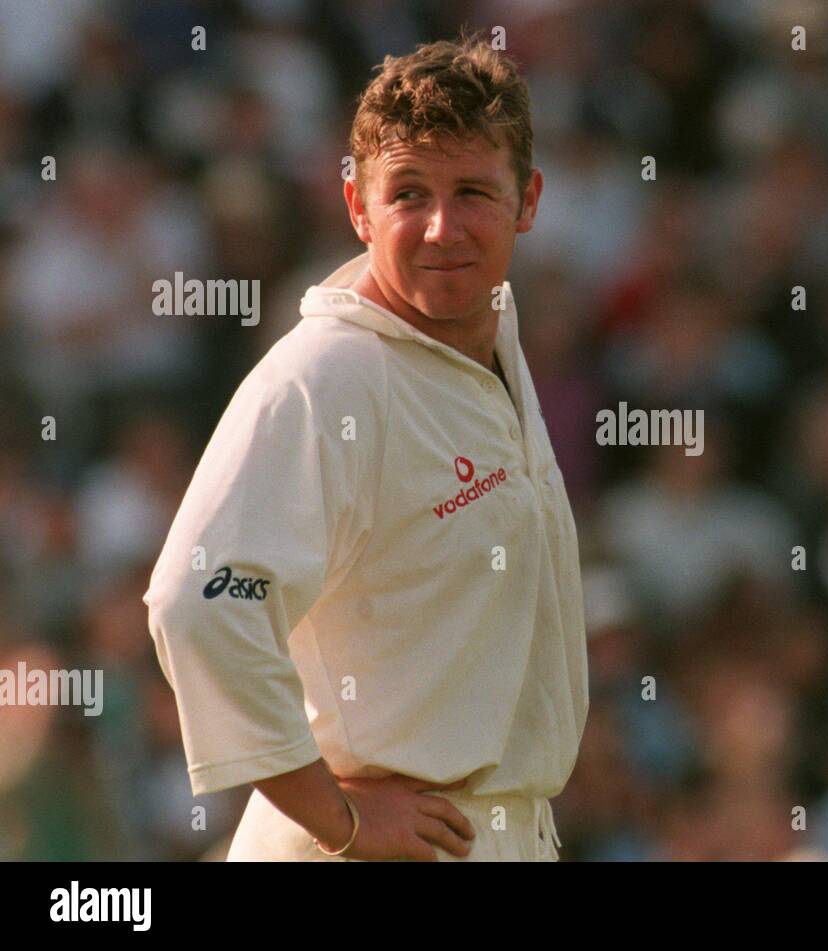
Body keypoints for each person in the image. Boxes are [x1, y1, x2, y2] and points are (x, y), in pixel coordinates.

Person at [142, 32, 589, 861]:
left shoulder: (493, 332)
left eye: (473, 192)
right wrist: (339, 818)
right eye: (408, 192)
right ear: (357, 205)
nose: (440, 227)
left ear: (529, 201)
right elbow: (198, 600)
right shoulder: (327, 374)